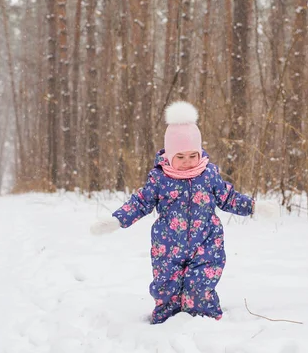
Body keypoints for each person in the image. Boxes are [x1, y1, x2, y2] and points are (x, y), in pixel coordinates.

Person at [94, 101, 254, 324]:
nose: (187, 162)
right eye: (180, 157)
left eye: (192, 155)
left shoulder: (209, 175)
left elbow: (228, 197)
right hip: (167, 246)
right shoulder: (160, 177)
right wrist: (118, 219)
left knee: (199, 289)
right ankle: (164, 332)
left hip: (207, 244)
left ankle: (204, 328)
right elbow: (141, 201)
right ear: (169, 155)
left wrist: (253, 207)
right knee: (166, 291)